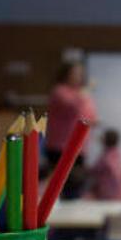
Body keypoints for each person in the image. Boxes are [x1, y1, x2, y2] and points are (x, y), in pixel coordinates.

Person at [45, 60, 98, 198]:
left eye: (80, 74)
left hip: (80, 146)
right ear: (65, 74)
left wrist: (93, 120)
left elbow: (89, 114)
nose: (78, 77)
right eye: (75, 73)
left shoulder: (83, 94)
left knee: (76, 182)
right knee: (60, 183)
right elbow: (72, 105)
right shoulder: (59, 91)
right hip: (60, 146)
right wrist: (85, 92)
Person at [87, 129, 121, 200]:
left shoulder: (107, 156)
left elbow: (97, 170)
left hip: (110, 193)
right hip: (118, 192)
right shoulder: (116, 153)